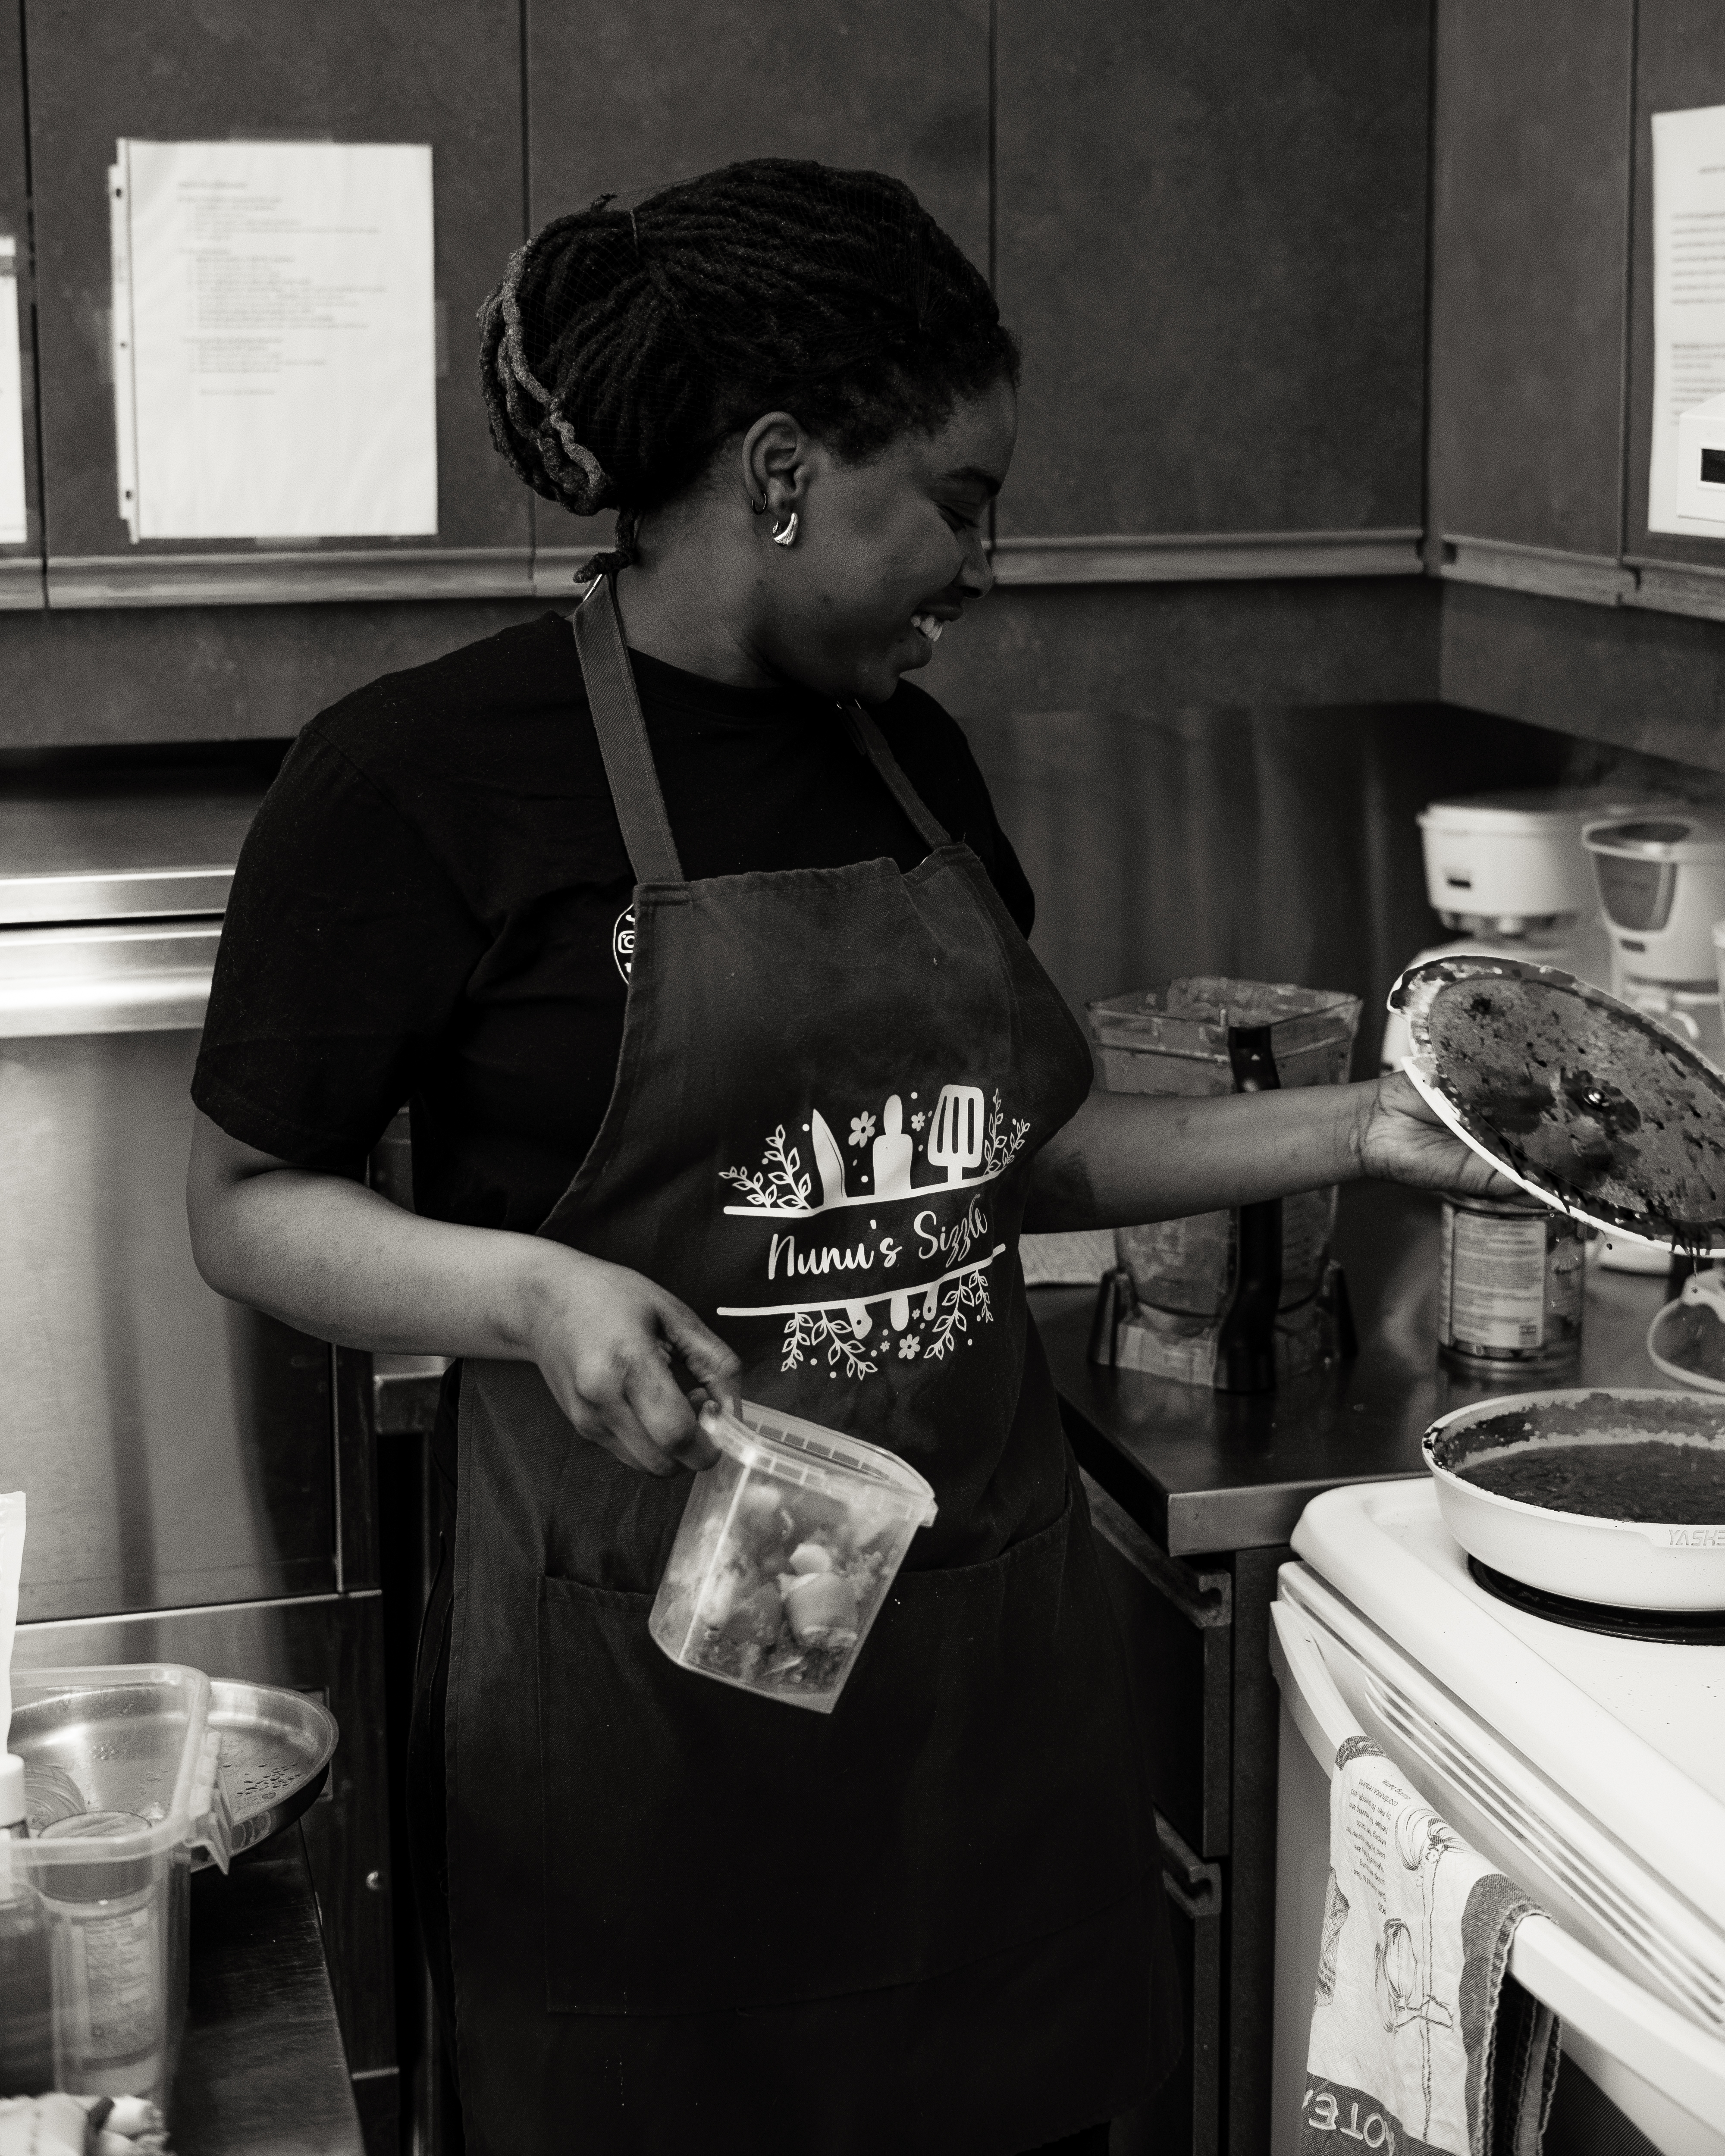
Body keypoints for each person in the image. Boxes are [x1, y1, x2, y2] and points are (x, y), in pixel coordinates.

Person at [185, 159, 1511, 2156]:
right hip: (639, 1740)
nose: (982, 564)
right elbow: (243, 1203)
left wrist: (1371, 1126)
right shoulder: (419, 777)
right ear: (784, 472)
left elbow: (1018, 1160)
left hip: (981, 1727)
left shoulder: (912, 757)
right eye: (958, 503)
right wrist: (528, 1290)